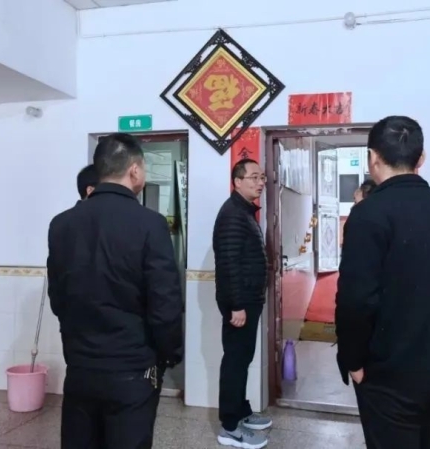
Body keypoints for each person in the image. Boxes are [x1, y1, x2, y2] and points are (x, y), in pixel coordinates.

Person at [335, 116, 430, 449]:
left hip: (389, 375)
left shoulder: (368, 215)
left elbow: (357, 299)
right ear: (421, 158)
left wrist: (353, 360)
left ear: (373, 158)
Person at [47, 133, 184, 449]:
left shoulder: (62, 223)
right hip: (132, 368)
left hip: (80, 365)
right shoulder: (150, 224)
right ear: (134, 170)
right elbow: (164, 303)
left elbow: (58, 297)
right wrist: (169, 353)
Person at [213, 158, 271, 449]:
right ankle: (229, 427)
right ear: (237, 182)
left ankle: (240, 411)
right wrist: (236, 305)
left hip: (248, 300)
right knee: (235, 362)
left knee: (242, 359)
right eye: (254, 177)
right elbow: (229, 263)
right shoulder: (233, 214)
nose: (260, 183)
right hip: (241, 304)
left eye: (262, 178)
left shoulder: (244, 211)